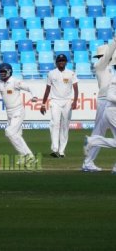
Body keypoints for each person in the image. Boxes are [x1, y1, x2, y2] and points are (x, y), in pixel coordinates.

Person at [0, 63, 38, 167]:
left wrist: (35, 96)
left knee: (9, 132)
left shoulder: (15, 81)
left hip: (18, 111)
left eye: (4, 72)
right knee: (16, 135)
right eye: (0, 72)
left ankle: (29, 156)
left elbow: (29, 87)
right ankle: (24, 157)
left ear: (9, 71)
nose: (2, 74)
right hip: (9, 112)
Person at [82, 40, 116, 172]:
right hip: (105, 101)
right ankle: (88, 162)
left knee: (100, 133)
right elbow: (108, 54)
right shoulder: (100, 66)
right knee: (99, 131)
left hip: (109, 103)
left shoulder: (110, 68)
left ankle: (88, 160)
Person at [40, 54, 78, 158]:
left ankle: (62, 151)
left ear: (66, 62)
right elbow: (47, 89)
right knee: (54, 124)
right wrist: (43, 104)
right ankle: (55, 149)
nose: (61, 62)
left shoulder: (71, 73)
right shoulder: (51, 73)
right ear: (56, 63)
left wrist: (75, 101)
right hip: (55, 101)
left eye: (63, 61)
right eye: (59, 61)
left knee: (65, 126)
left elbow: (75, 88)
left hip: (67, 102)